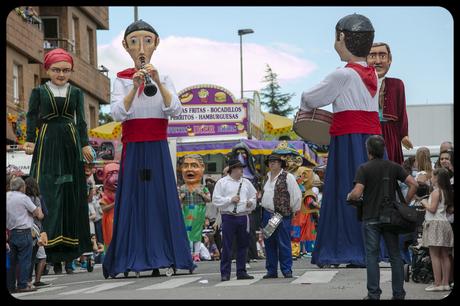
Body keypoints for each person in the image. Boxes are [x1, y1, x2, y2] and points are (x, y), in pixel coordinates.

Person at [103, 20, 194, 278]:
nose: (141, 47)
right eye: (134, 42)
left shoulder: (163, 77)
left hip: (157, 147)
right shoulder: (121, 80)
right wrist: (134, 86)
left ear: (156, 44)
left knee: (159, 198)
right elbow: (118, 112)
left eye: (147, 41)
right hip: (133, 148)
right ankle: (131, 257)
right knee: (132, 200)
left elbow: (174, 109)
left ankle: (166, 255)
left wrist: (156, 81)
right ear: (125, 46)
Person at [300, 14, 381, 267]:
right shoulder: (372, 75)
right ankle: (372, 247)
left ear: (342, 37)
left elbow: (311, 98)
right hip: (370, 138)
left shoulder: (342, 75)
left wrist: (303, 100)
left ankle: (345, 247)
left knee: (344, 191)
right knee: (374, 192)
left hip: (347, 140)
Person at [24, 48, 94, 274]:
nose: (61, 74)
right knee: (47, 192)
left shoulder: (76, 93)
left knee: (69, 195)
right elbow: (32, 117)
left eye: (65, 70)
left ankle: (69, 255)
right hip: (46, 141)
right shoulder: (39, 91)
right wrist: (30, 140)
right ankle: (48, 253)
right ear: (47, 70)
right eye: (56, 70)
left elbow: (81, 121)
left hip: (70, 142)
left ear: (71, 71)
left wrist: (84, 143)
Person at [347, 135, 418, 300]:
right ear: (383, 149)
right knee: (394, 255)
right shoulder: (394, 167)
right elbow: (413, 184)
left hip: (370, 217)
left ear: (369, 151)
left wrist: (350, 196)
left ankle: (373, 294)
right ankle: (398, 294)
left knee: (372, 256)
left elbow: (357, 193)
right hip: (391, 217)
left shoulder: (364, 168)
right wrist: (404, 203)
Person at [366, 42, 413, 164]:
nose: (377, 61)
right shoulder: (359, 83)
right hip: (367, 130)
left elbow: (402, 112)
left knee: (389, 164)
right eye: (372, 56)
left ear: (389, 60)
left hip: (389, 132)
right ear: (365, 59)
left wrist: (404, 135)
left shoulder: (397, 84)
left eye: (382, 56)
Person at [212, 159, 257, 281]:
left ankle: (241, 271)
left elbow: (254, 195)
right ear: (232, 169)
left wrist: (251, 203)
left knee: (243, 245)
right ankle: (225, 273)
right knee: (227, 245)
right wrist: (230, 199)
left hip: (243, 216)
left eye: (241, 168)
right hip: (228, 216)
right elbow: (215, 200)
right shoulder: (222, 182)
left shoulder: (246, 182)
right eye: (238, 168)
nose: (241, 170)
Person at [260, 154, 301, 279]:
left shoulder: (288, 177)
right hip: (267, 213)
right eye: (270, 162)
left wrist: (294, 209)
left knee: (283, 243)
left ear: (280, 164)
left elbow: (296, 195)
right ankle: (271, 270)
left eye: (275, 162)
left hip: (281, 214)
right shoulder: (266, 178)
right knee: (269, 243)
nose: (272, 164)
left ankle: (286, 269)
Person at [7, 177, 44, 293]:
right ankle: (23, 284)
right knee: (24, 260)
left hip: (11, 232)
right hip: (24, 232)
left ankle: (10, 285)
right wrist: (36, 210)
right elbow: (38, 214)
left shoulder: (7, 196)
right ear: (22, 187)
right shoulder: (23, 198)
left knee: (12, 261)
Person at [420, 168, 454, 292]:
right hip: (445, 224)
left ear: (437, 178)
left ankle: (437, 283)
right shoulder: (447, 192)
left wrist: (424, 202)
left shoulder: (436, 192)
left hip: (435, 224)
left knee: (434, 255)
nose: (431, 178)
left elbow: (432, 209)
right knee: (445, 255)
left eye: (433, 176)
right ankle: (445, 283)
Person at [178, 154, 212, 262]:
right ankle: (189, 253)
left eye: (194, 166)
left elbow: (208, 199)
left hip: (199, 212)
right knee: (187, 233)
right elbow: (176, 201)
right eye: (186, 166)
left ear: (202, 169)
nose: (189, 169)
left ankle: (196, 254)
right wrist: (181, 197)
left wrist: (201, 194)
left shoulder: (203, 188)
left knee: (197, 233)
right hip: (186, 212)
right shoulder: (182, 188)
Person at [24, 176, 50, 288]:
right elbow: (41, 215)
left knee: (26, 257)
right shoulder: (37, 198)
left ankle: (25, 280)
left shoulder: (22, 198)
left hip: (23, 229)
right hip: (35, 231)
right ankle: (33, 280)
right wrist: (40, 214)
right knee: (39, 256)